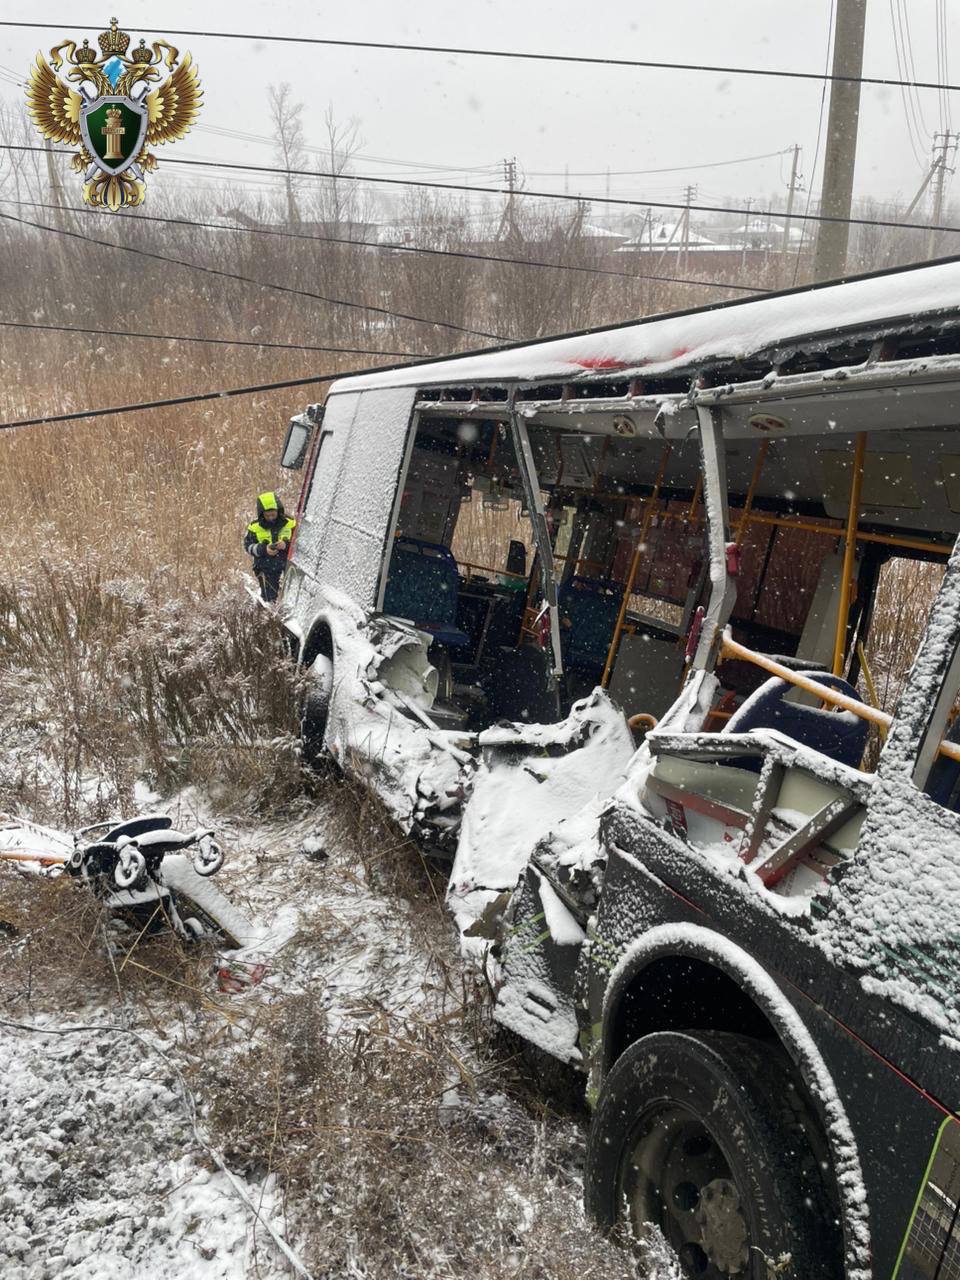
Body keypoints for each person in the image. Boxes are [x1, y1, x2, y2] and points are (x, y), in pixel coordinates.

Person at [244, 491, 296, 602]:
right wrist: (264, 549)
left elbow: (300, 543)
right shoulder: (254, 527)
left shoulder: (291, 523)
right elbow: (248, 546)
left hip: (287, 567)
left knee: (290, 598)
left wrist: (286, 545)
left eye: (273, 514)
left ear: (278, 511)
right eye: (267, 516)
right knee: (269, 600)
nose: (271, 518)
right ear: (261, 514)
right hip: (265, 568)